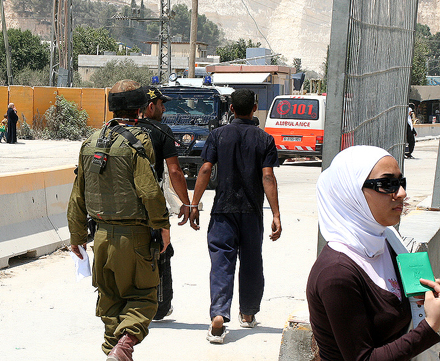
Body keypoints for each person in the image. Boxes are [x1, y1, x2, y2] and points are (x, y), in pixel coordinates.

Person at [67, 79, 170, 361]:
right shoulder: (140, 142)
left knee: (109, 302)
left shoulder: (90, 142)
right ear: (140, 107)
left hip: (100, 238)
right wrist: (162, 226)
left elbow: (77, 195)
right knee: (144, 297)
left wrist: (76, 238)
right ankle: (123, 347)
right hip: (134, 238)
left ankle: (113, 353)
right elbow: (149, 189)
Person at [306, 145, 440, 360]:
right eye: (387, 184)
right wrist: (432, 326)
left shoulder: (387, 241)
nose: (402, 193)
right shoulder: (337, 273)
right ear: (351, 193)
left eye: (400, 182)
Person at [189, 88, 282, 343]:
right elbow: (267, 177)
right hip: (251, 212)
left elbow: (206, 169)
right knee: (252, 262)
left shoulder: (217, 135)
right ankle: (248, 313)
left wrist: (194, 204)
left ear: (231, 109)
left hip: (223, 211)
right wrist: (275, 214)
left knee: (221, 262)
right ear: (254, 108)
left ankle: (219, 315)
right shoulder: (265, 139)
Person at [137, 86, 191, 320]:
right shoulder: (161, 131)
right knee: (160, 250)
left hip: (123, 206)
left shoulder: (119, 130)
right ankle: (159, 306)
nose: (164, 108)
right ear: (150, 107)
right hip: (152, 205)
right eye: (161, 104)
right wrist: (186, 203)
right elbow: (175, 171)